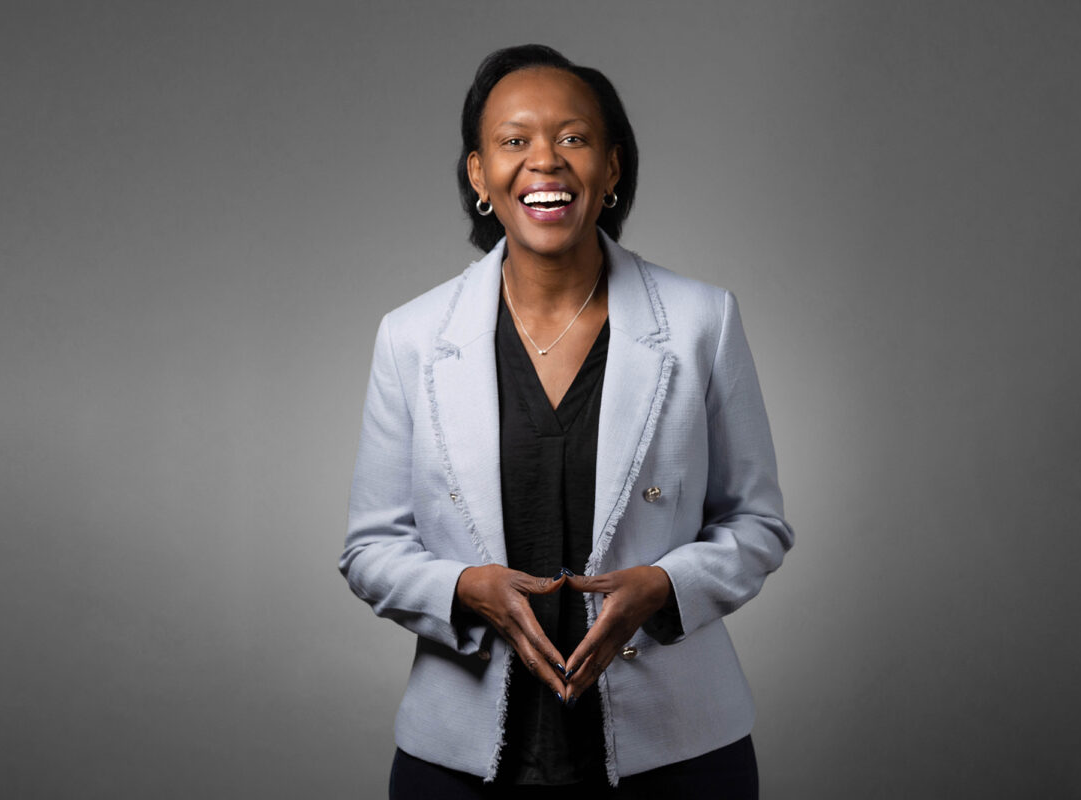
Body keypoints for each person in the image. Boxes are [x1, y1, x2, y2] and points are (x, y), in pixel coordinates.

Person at [340, 44, 793, 799]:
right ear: (479, 175)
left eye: (573, 138)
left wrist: (665, 586)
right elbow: (370, 547)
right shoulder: (413, 336)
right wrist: (462, 589)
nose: (544, 161)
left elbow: (759, 523)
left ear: (611, 170)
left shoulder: (699, 320)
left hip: (677, 757)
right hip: (462, 761)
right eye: (514, 141)